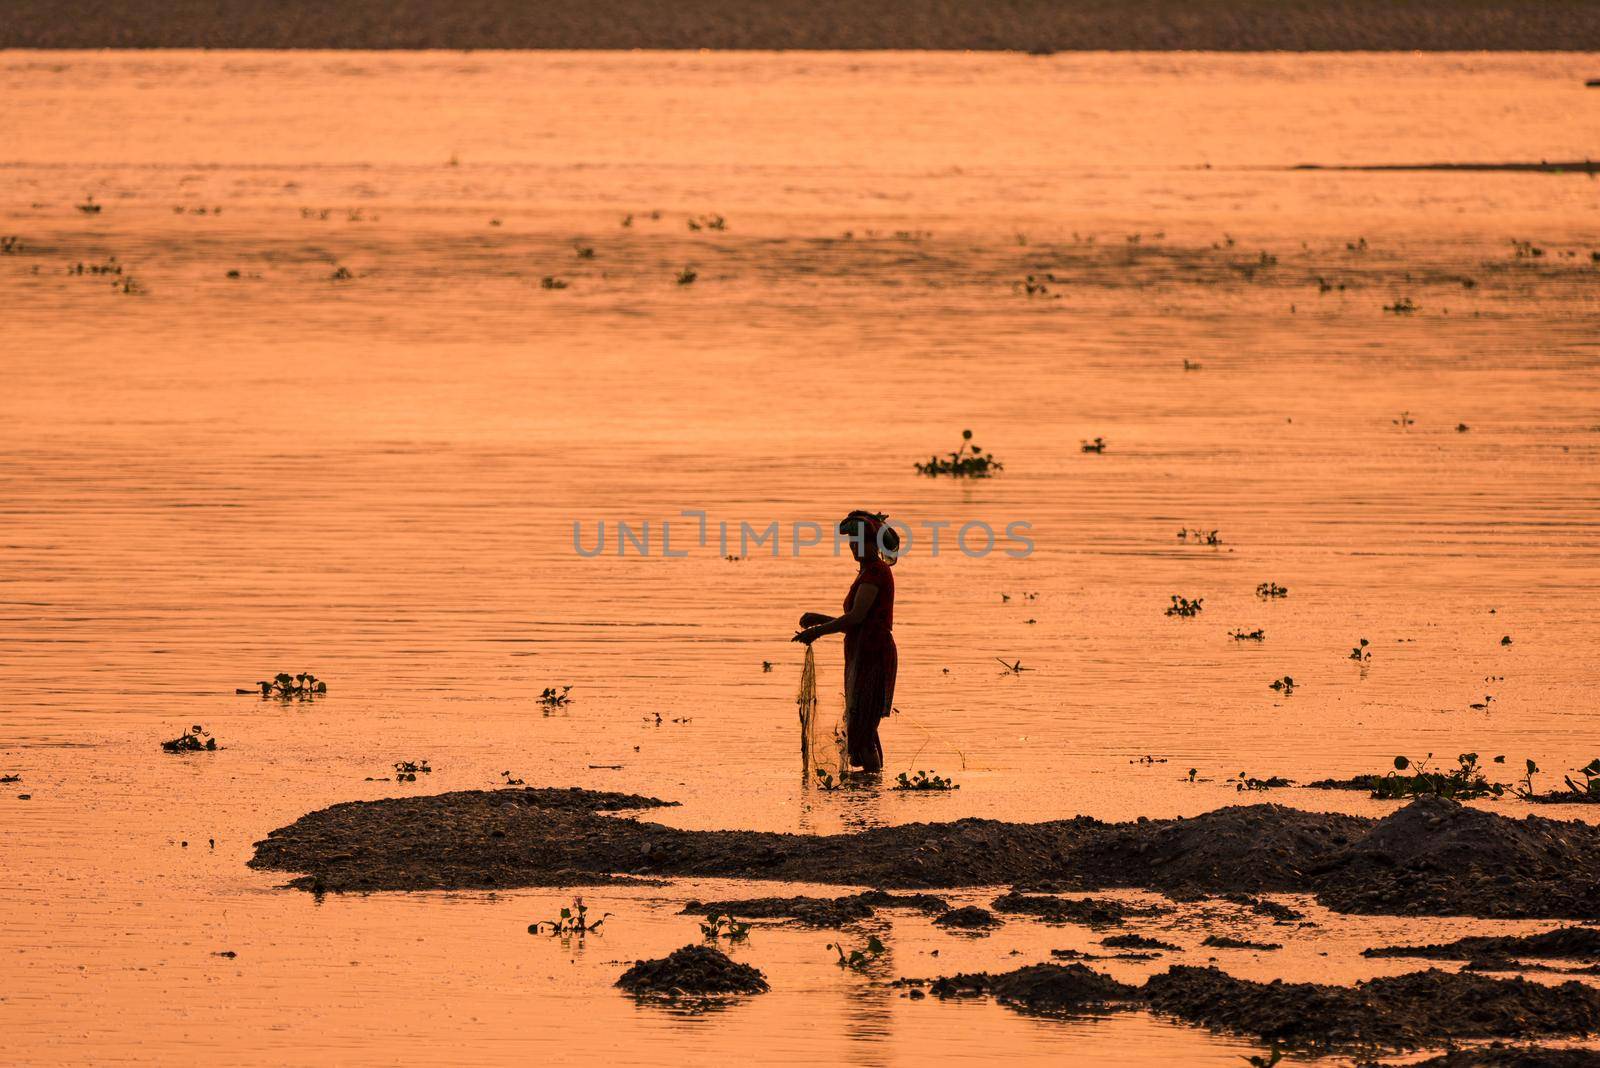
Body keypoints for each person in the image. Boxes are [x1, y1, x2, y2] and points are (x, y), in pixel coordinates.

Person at [793, 510, 898, 772]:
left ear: (874, 545)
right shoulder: (866, 573)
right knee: (864, 729)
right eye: (853, 541)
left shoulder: (876, 572)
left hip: (873, 656)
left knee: (862, 732)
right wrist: (820, 619)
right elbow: (859, 622)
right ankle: (872, 796)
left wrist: (816, 632)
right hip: (861, 653)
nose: (854, 546)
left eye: (861, 541)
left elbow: (856, 617)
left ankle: (869, 795)